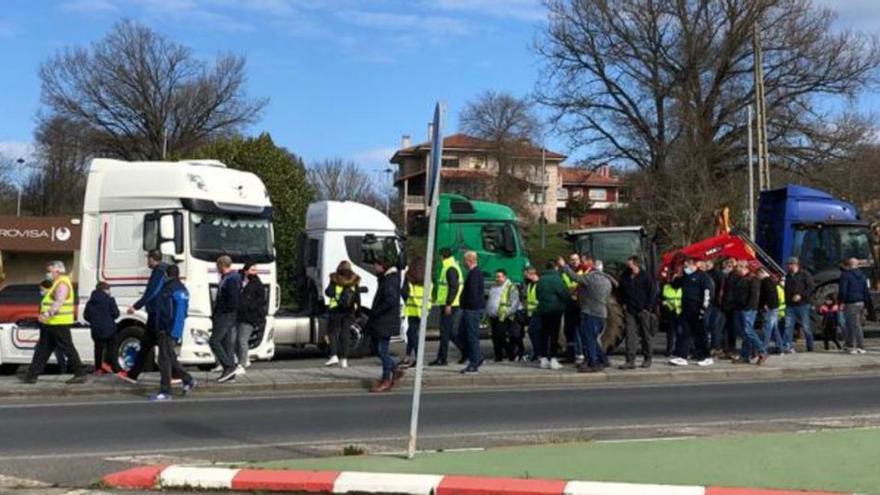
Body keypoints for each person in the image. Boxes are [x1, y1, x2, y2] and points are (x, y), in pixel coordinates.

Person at [21, 261, 88, 384]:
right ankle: (31, 375)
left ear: (57, 271)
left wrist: (47, 313)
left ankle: (80, 374)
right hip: (51, 323)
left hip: (58, 323)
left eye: (49, 271)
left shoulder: (62, 283)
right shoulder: (56, 283)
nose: (47, 274)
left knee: (67, 348)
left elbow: (59, 302)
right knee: (43, 349)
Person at [117, 250, 167, 384]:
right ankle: (133, 374)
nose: (147, 262)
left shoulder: (159, 271)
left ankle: (179, 375)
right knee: (146, 345)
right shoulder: (162, 270)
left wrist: (136, 306)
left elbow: (152, 291)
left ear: (152, 259)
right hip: (156, 313)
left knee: (163, 347)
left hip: (156, 313)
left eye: (148, 259)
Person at [560, 258, 613, 373]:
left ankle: (593, 362)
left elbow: (576, 278)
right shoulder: (607, 281)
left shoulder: (591, 278)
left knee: (588, 339)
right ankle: (603, 360)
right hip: (602, 313)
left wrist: (564, 266)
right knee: (594, 338)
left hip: (590, 312)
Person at [152, 264, 196, 401]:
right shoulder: (181, 289)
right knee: (170, 357)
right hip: (173, 327)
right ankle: (188, 380)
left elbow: (169, 312)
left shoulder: (169, 289)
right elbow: (182, 313)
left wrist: (169, 329)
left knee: (164, 359)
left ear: (167, 275)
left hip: (167, 328)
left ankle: (166, 391)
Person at [669, 258, 713, 367]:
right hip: (686, 309)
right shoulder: (685, 276)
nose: (685, 267)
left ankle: (706, 356)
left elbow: (707, 293)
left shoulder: (703, 277)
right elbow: (675, 285)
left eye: (687, 265)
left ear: (694, 265)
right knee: (685, 333)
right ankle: (682, 356)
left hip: (697, 308)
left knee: (700, 334)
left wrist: (704, 309)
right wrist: (675, 277)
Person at [368, 256, 402, 392]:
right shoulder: (386, 279)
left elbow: (390, 301)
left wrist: (376, 311)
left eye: (376, 266)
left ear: (382, 266)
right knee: (378, 349)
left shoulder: (389, 281)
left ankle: (386, 378)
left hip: (385, 321)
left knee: (382, 350)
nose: (374, 268)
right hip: (383, 321)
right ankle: (394, 370)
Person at [618, 256, 655, 369]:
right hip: (630, 309)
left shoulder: (645, 277)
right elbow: (621, 290)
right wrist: (623, 303)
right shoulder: (625, 276)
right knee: (630, 335)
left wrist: (647, 308)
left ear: (635, 264)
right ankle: (630, 360)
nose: (628, 265)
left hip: (642, 310)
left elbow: (652, 293)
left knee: (645, 334)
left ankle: (647, 358)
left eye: (630, 263)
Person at [430, 248, 465, 366]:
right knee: (447, 332)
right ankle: (465, 352)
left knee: (445, 332)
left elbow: (453, 287)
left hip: (450, 305)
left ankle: (442, 359)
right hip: (449, 304)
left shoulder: (450, 268)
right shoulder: (451, 266)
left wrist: (448, 304)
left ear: (442, 256)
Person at [211, 255, 243, 383]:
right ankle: (230, 374)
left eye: (217, 265)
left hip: (226, 314)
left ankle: (229, 367)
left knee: (214, 341)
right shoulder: (228, 277)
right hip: (225, 314)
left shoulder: (232, 279)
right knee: (227, 343)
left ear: (221, 265)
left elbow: (233, 299)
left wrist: (223, 311)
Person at [324, 260, 361, 368]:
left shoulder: (335, 279)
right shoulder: (354, 281)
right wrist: (358, 312)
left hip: (335, 310)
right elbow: (357, 298)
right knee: (345, 334)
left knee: (333, 333)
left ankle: (334, 355)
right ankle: (344, 360)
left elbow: (328, 292)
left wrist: (335, 294)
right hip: (349, 311)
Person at [732, 263, 770, 365]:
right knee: (744, 333)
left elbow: (754, 295)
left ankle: (762, 351)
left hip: (748, 309)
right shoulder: (740, 279)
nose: (736, 269)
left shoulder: (753, 279)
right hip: (739, 307)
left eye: (738, 267)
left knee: (748, 330)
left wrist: (749, 307)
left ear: (744, 267)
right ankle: (745, 356)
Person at [536, 261, 569, 370]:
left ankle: (543, 358)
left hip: (543, 310)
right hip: (555, 310)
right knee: (554, 335)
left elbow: (537, 294)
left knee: (543, 334)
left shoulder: (541, 279)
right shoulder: (557, 279)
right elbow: (563, 294)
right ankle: (553, 359)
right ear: (555, 267)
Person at [838, 257, 874, 354]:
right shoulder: (863, 275)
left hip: (851, 302)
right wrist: (867, 303)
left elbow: (843, 291)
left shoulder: (845, 275)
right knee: (855, 324)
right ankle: (852, 345)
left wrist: (841, 302)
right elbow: (866, 290)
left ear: (849, 265)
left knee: (853, 324)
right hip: (861, 302)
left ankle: (858, 346)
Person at [83, 281, 119, 375]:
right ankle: (108, 365)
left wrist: (94, 321)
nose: (109, 291)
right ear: (105, 290)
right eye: (108, 289)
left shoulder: (90, 302)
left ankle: (98, 368)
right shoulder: (110, 300)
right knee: (112, 347)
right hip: (109, 328)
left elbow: (86, 315)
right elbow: (116, 314)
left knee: (98, 348)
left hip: (96, 329)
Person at [459, 251, 486, 374]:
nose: (463, 262)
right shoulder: (475, 273)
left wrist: (468, 306)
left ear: (469, 260)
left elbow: (473, 293)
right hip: (472, 309)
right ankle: (477, 357)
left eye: (465, 260)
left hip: (472, 310)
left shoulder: (474, 274)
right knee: (467, 335)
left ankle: (474, 362)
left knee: (471, 337)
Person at [237, 262, 267, 370]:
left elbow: (260, 300)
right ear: (246, 271)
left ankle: (242, 363)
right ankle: (244, 360)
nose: (254, 272)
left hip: (249, 316)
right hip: (242, 315)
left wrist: (249, 307)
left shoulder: (256, 284)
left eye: (255, 270)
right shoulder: (242, 281)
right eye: (252, 270)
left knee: (242, 340)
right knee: (239, 339)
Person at [486, 269, 520, 362]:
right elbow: (490, 300)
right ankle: (498, 356)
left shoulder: (511, 287)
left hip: (504, 316)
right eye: (496, 277)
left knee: (500, 336)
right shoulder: (493, 287)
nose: (497, 279)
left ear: (505, 277)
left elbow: (515, 303)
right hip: (493, 316)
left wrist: (507, 313)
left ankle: (511, 354)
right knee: (495, 337)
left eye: (499, 276)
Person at [783, 257, 815, 353]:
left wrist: (801, 296)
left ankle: (810, 347)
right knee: (788, 326)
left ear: (796, 265)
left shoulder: (804, 275)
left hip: (803, 304)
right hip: (790, 305)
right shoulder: (788, 276)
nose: (789, 266)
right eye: (788, 265)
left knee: (806, 326)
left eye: (790, 264)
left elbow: (811, 287)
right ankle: (788, 346)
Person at [400, 257, 428, 368]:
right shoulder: (426, 277)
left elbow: (403, 292)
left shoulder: (410, 277)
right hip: (423, 309)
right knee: (412, 333)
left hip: (412, 308)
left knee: (411, 333)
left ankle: (418, 358)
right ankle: (408, 356)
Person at [39, 278, 68, 374]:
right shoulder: (48, 297)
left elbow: (54, 310)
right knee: (56, 350)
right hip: (48, 326)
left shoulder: (52, 297)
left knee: (52, 350)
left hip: (51, 326)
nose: (41, 291)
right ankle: (63, 369)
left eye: (42, 289)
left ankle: (39, 370)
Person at [561, 253, 583, 363]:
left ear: (579, 260)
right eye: (571, 259)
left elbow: (578, 283)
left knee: (577, 330)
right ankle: (570, 354)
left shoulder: (582, 271)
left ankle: (579, 353)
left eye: (575, 259)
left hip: (578, 303)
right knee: (568, 330)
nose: (574, 261)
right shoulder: (565, 273)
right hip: (569, 303)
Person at [758, 269, 784, 354]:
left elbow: (768, 294)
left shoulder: (765, 282)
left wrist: (765, 304)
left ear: (761, 274)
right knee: (774, 329)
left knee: (767, 328)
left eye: (758, 275)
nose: (758, 277)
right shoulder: (771, 281)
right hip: (774, 307)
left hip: (770, 308)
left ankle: (764, 348)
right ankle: (780, 347)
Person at [719, 258, 741, 358]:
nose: (729, 264)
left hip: (732, 306)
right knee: (724, 328)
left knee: (732, 329)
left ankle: (731, 350)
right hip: (725, 305)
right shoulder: (725, 275)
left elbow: (733, 291)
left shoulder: (736, 276)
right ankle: (726, 349)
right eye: (728, 262)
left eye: (732, 262)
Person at [705, 259, 727, 356]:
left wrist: (719, 301)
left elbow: (720, 289)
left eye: (707, 262)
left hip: (717, 304)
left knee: (715, 326)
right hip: (711, 304)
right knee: (711, 326)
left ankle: (716, 347)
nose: (706, 264)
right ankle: (714, 347)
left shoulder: (717, 274)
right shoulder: (707, 274)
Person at [659, 267, 682, 357]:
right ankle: (670, 350)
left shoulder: (682, 286)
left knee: (679, 333)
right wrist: (664, 304)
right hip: (670, 312)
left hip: (680, 312)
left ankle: (678, 350)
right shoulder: (666, 287)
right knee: (671, 333)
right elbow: (661, 298)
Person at [522, 266, 541, 361]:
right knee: (533, 333)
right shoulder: (530, 284)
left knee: (533, 332)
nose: (524, 277)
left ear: (531, 273)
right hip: (532, 313)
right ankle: (537, 352)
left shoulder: (539, 284)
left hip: (538, 312)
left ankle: (538, 352)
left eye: (525, 274)